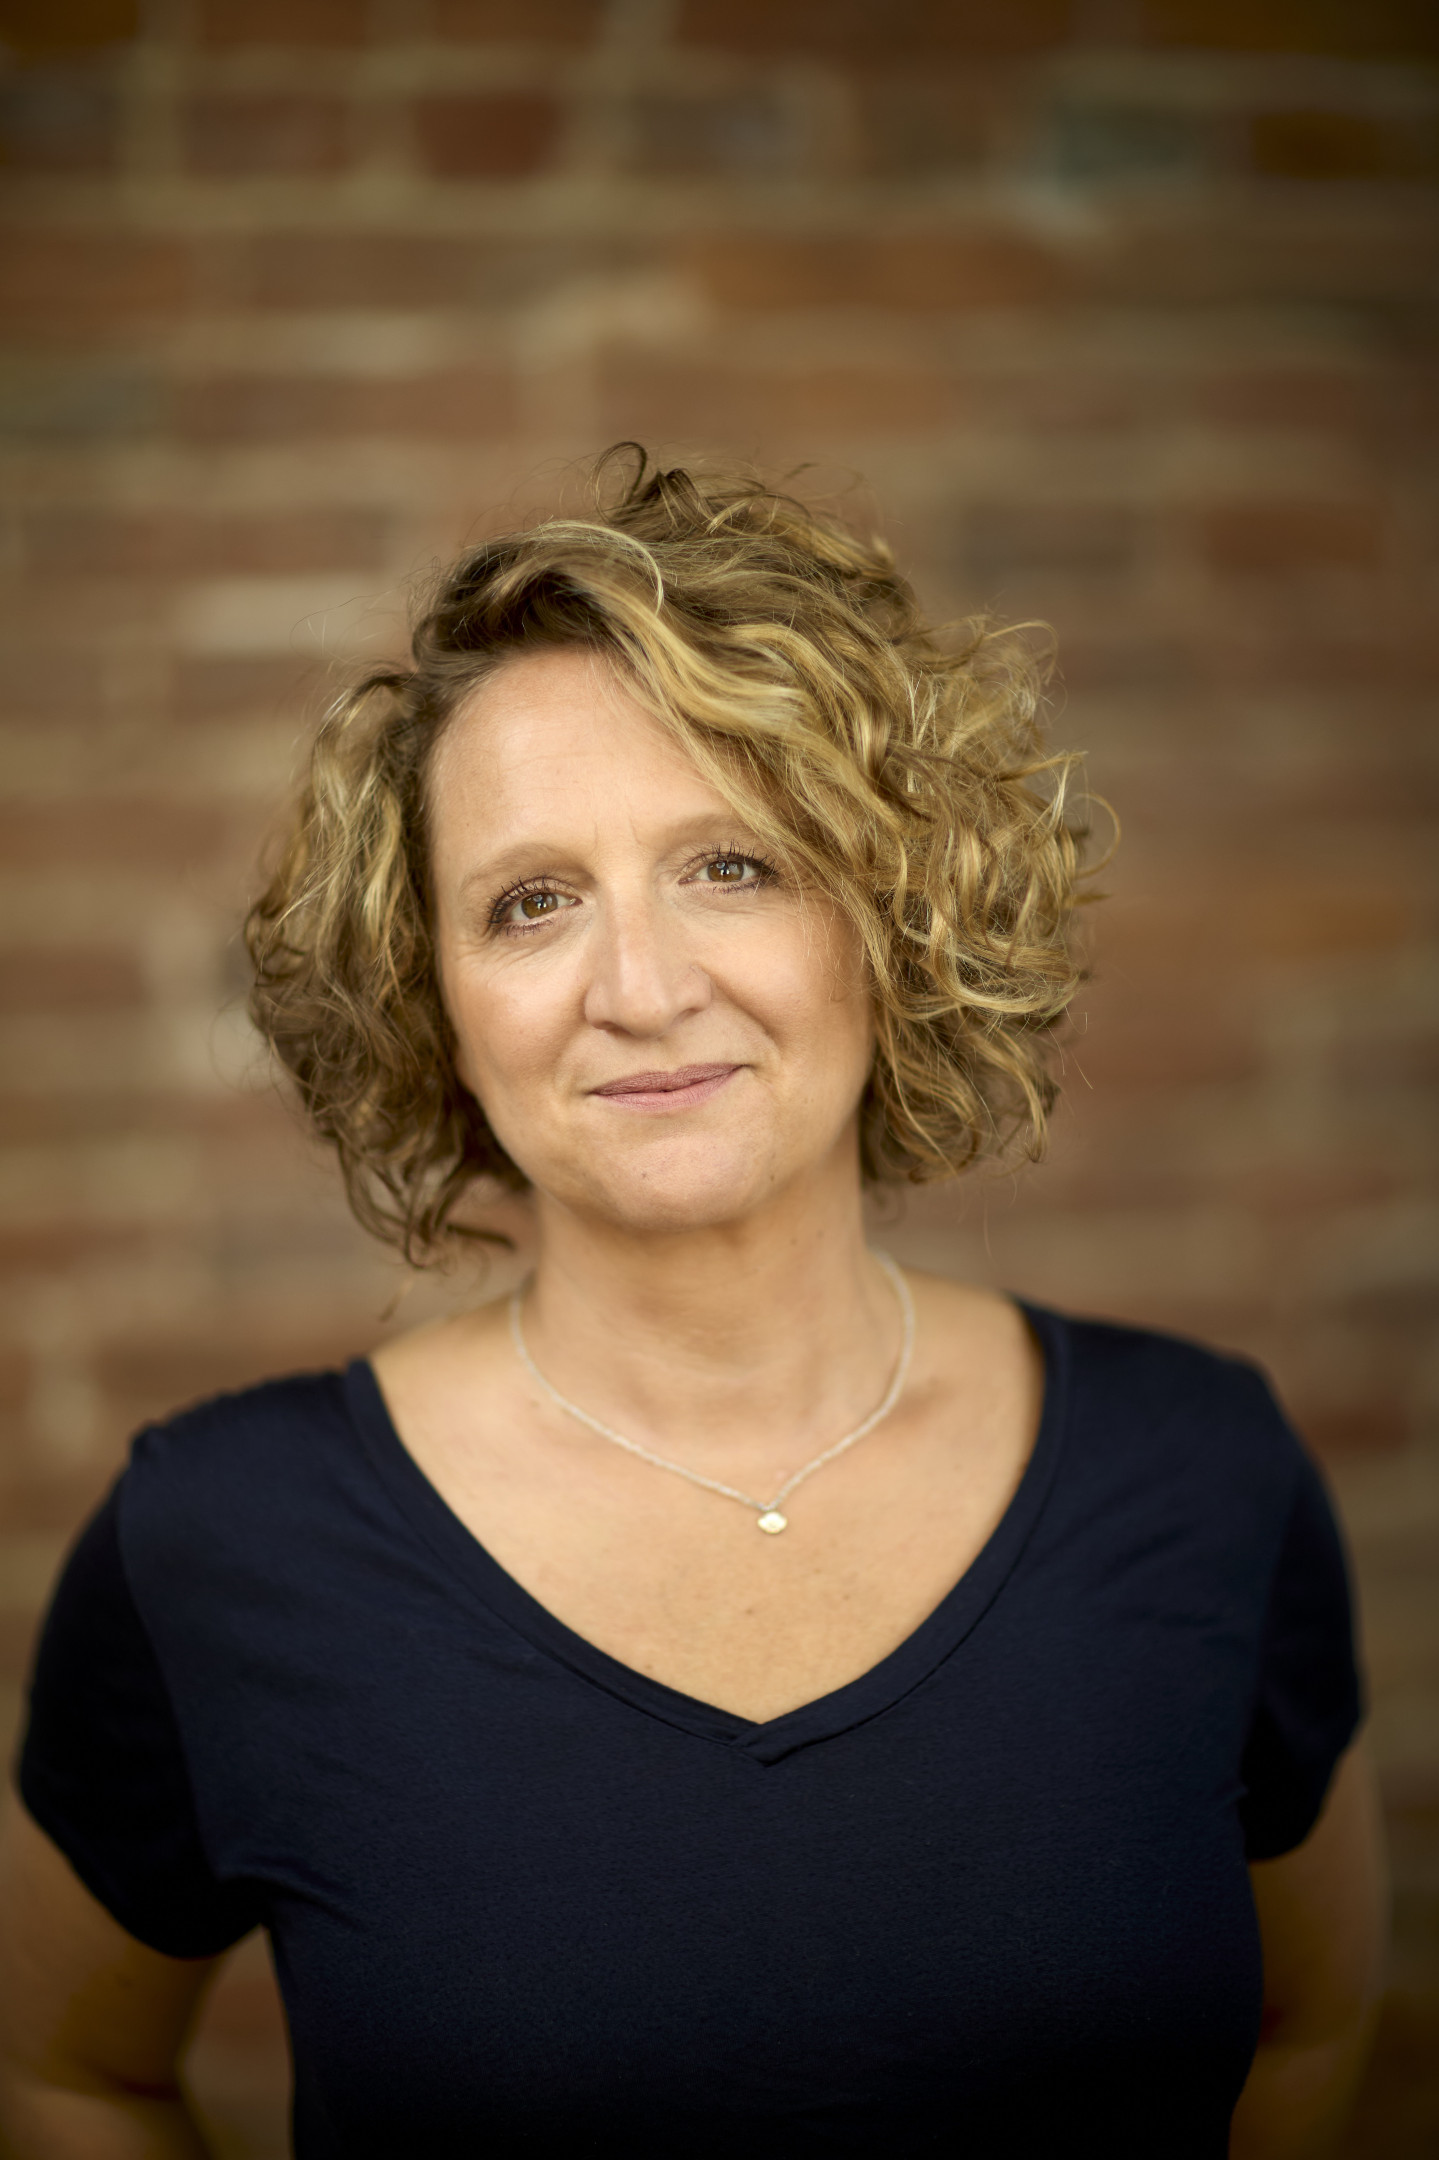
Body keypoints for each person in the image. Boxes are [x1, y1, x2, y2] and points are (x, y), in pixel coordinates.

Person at [0, 452, 1385, 2158]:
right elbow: (68, 2072)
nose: (642, 989)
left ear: (891, 917)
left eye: (733, 865)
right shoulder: (220, 1543)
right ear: (432, 996)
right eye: (530, 903)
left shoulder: (1203, 1472)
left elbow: (1314, 2027)